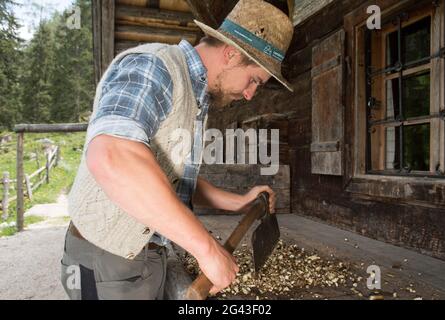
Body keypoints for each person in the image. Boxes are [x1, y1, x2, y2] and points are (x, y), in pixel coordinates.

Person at [61, 0, 294, 300]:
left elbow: (170, 179)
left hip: (150, 255)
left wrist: (237, 202)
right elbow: (112, 156)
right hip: (107, 260)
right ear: (232, 53)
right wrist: (206, 249)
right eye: (254, 81)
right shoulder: (154, 66)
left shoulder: (195, 95)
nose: (250, 95)